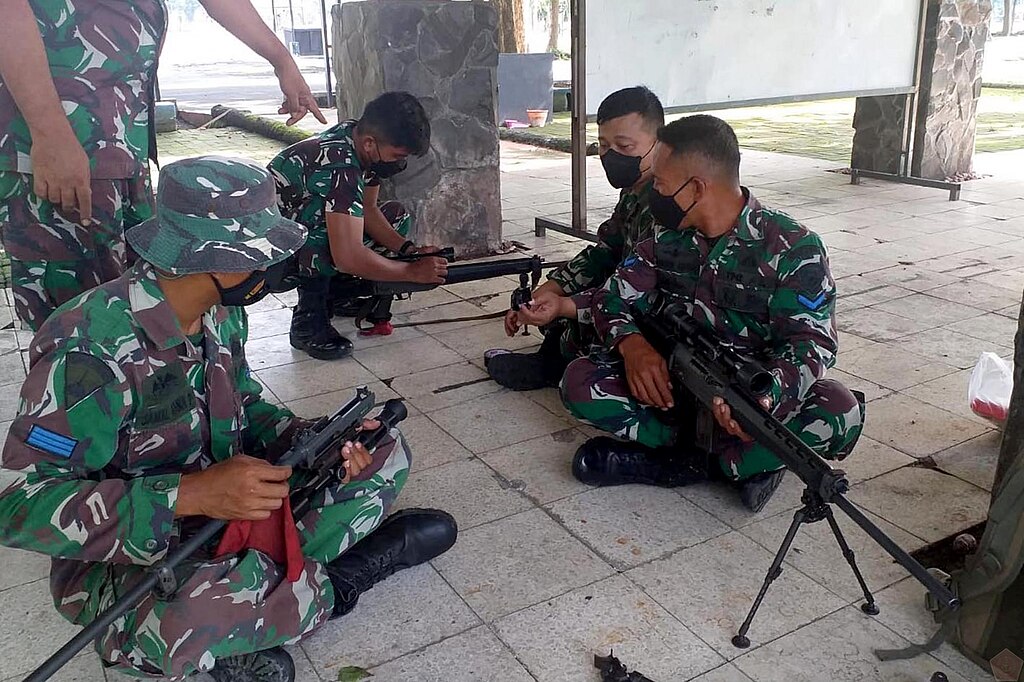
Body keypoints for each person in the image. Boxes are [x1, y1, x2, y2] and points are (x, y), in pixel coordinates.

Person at [0, 156, 457, 681]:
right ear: (212, 258)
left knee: (384, 451)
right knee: (186, 618)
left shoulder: (220, 310)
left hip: (231, 501)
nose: (275, 266)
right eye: (263, 253)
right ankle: (339, 578)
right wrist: (191, 495)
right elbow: (18, 507)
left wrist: (316, 440)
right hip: (136, 554)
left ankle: (277, 593)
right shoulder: (87, 351)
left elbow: (245, 405)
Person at [524, 115, 865, 512]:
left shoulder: (792, 246)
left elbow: (813, 342)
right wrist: (634, 347)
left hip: (750, 392)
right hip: (673, 382)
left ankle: (682, 461)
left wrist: (768, 395)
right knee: (580, 381)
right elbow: (610, 299)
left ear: (696, 188)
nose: (655, 193)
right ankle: (731, 465)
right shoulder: (666, 238)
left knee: (838, 409)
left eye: (663, 185)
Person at [0, 0, 326, 332]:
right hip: (64, 139)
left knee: (145, 298)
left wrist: (281, 59)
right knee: (76, 317)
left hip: (123, 142)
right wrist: (49, 132)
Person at [485, 86, 664, 390]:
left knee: (579, 322)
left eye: (624, 146)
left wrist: (565, 304)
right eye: (605, 145)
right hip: (627, 290)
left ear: (659, 143)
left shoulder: (667, 203)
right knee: (564, 300)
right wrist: (545, 291)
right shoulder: (635, 192)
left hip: (651, 307)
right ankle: (557, 355)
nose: (611, 156)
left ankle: (557, 363)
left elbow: (637, 287)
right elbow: (603, 253)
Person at [268, 91, 449, 361]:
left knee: (395, 216)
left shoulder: (358, 140)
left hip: (295, 239)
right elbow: (349, 255)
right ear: (369, 143)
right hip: (271, 260)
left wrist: (408, 250)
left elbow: (369, 209)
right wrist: (410, 271)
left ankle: (337, 294)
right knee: (327, 229)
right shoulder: (340, 166)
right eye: (397, 155)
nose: (400, 163)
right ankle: (309, 320)